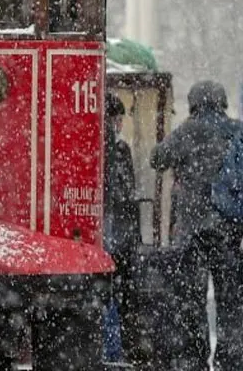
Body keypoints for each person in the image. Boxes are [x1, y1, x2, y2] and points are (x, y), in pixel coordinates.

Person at [150, 80, 243, 370]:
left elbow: (156, 158)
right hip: (229, 230)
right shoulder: (237, 130)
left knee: (192, 301)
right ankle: (231, 357)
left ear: (194, 103)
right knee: (230, 302)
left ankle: (195, 358)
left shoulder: (187, 131)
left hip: (193, 231)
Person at [101, 92, 140, 361]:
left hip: (102, 232)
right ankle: (112, 349)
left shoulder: (89, 143)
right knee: (114, 292)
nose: (120, 125)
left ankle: (108, 346)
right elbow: (125, 192)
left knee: (105, 292)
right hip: (113, 232)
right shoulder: (117, 148)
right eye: (118, 118)